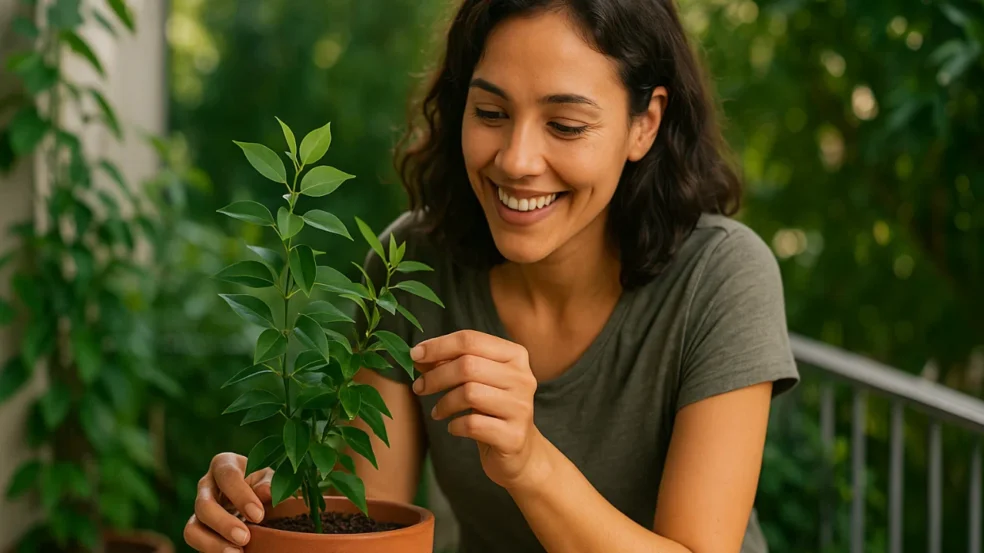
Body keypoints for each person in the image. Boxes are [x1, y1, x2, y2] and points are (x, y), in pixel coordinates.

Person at [183, 1, 800, 552]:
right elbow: (370, 528)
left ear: (646, 124)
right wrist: (261, 522)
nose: (516, 160)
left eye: (565, 125)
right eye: (490, 111)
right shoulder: (411, 262)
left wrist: (529, 462)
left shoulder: (721, 277)